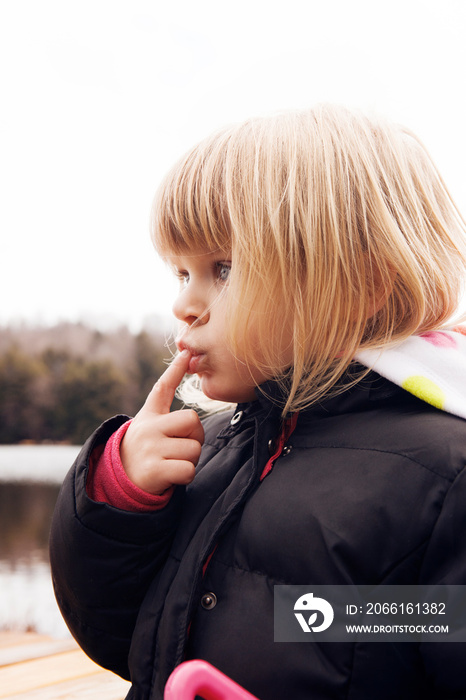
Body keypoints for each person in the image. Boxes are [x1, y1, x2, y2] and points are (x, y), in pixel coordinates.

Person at [50, 104, 466, 699]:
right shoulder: (213, 451)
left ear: (360, 285)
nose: (186, 304)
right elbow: (119, 638)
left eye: (222, 268)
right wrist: (121, 498)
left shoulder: (447, 478)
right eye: (181, 273)